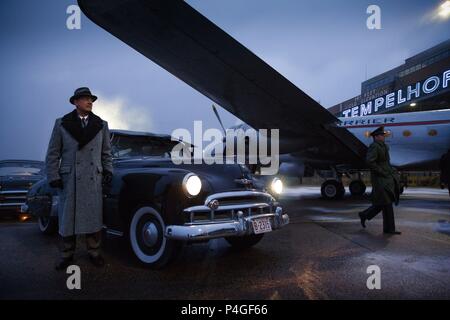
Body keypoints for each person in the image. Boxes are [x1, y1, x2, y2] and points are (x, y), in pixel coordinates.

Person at [45, 87, 113, 270]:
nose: (90, 102)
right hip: (70, 178)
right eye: (85, 99)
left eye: (91, 99)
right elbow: (52, 154)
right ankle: (67, 255)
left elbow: (106, 153)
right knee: (69, 220)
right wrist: (53, 176)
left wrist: (108, 171)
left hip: (92, 177)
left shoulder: (101, 124)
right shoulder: (61, 123)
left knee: (93, 218)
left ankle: (94, 253)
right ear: (76, 102)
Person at [358, 126, 401, 235]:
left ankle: (365, 215)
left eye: (383, 135)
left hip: (386, 177)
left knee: (384, 203)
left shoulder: (384, 147)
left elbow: (386, 162)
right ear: (376, 137)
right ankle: (389, 229)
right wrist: (382, 172)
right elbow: (370, 162)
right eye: (382, 135)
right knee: (386, 202)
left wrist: (392, 171)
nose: (383, 137)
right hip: (380, 178)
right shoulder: (374, 147)